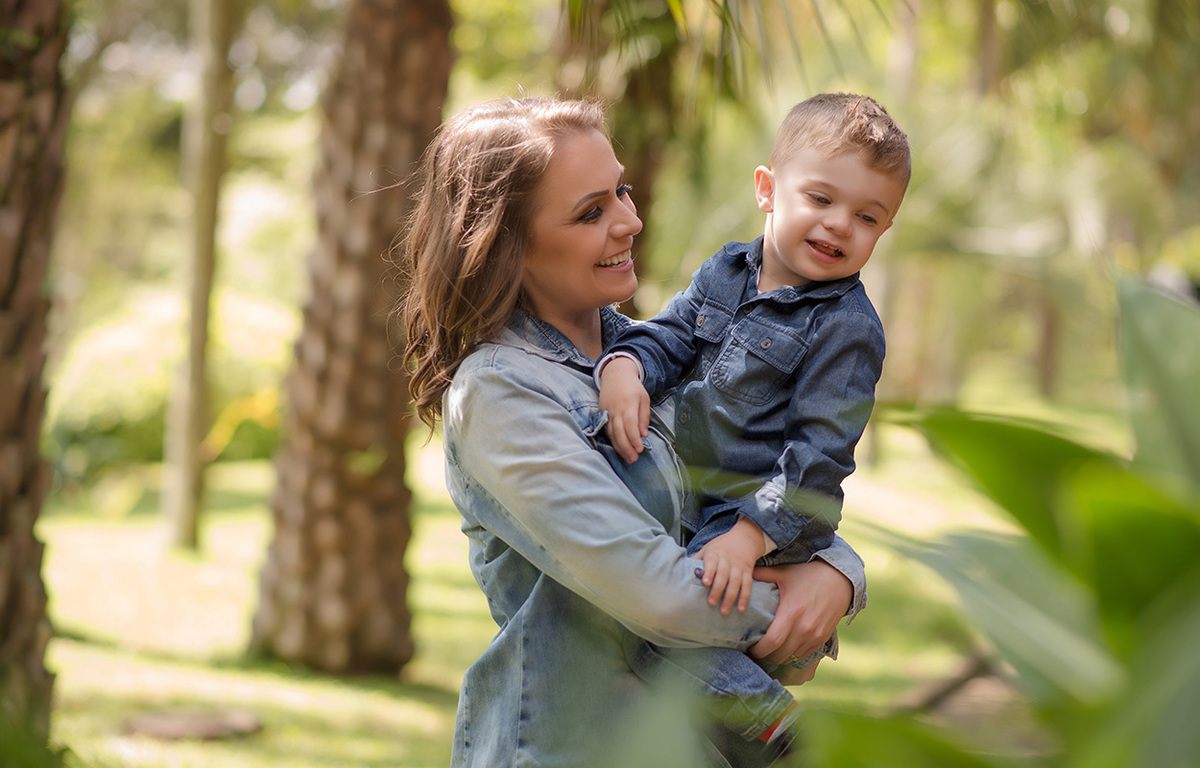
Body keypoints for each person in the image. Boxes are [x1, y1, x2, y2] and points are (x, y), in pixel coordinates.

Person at [399, 96, 868, 767]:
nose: (629, 220)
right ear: (508, 244)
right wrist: (800, 604)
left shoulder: (663, 358)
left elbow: (760, 485)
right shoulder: (501, 393)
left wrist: (838, 572)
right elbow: (659, 596)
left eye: (620, 191)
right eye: (591, 211)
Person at [598, 93, 910, 619]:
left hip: (754, 511)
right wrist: (625, 367)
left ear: (883, 230)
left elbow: (818, 459)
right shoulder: (725, 269)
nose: (839, 224)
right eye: (820, 199)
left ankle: (754, 702)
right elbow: (671, 335)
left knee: (692, 598)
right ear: (767, 189)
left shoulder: (847, 328)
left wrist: (747, 538)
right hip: (680, 474)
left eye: (865, 217)